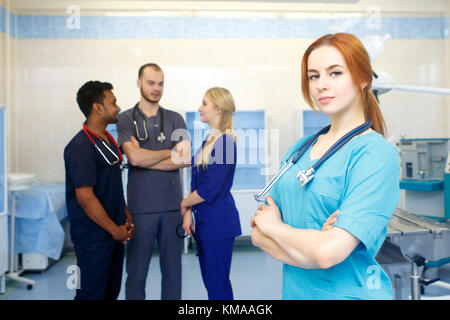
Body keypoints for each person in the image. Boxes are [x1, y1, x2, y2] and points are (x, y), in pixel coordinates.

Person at [250, 33, 400, 300]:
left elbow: (327, 253)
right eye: (314, 76)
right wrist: (314, 245)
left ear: (363, 79)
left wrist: (276, 229)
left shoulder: (376, 155)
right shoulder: (299, 149)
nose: (321, 85)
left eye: (335, 73)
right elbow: (257, 234)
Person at [117, 63, 191, 300]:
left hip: (172, 208)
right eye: (151, 83)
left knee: (173, 273)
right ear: (139, 83)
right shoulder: (126, 119)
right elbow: (134, 158)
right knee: (136, 273)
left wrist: (144, 157)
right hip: (141, 209)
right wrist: (169, 153)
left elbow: (185, 158)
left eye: (160, 83)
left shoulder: (174, 118)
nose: (156, 88)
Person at [64, 81, 134, 300]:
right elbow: (85, 198)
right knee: (90, 295)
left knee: (110, 293)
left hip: (113, 234)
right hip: (93, 240)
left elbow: (111, 183)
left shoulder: (107, 140)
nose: (118, 107)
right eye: (113, 102)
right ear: (98, 108)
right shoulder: (80, 147)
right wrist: (114, 229)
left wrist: (125, 214)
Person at [181, 87, 242, 300]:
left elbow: (209, 189)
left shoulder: (225, 142)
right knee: (212, 285)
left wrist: (183, 204)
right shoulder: (210, 140)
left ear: (218, 109)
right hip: (206, 224)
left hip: (219, 225)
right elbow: (196, 181)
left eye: (204, 103)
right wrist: (188, 210)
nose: (200, 108)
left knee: (218, 287)